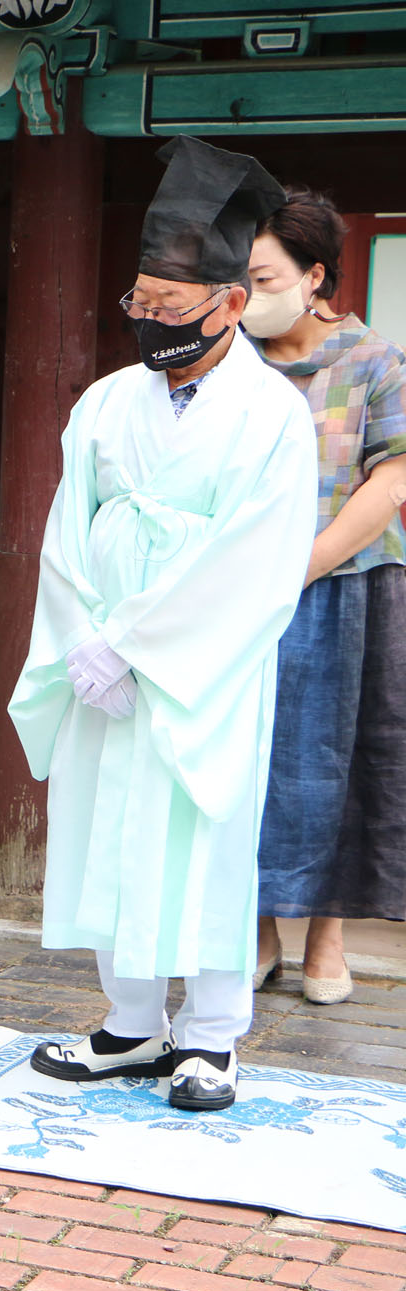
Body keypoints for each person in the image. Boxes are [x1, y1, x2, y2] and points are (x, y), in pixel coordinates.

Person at [9, 137, 318, 1112]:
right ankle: (128, 1024)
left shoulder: (272, 416)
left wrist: (142, 648)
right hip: (100, 660)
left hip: (203, 672)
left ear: (229, 303)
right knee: (109, 833)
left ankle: (212, 1037)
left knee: (204, 837)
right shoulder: (104, 404)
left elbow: (255, 562)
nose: (148, 322)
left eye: (169, 308)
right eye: (136, 305)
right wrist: (81, 645)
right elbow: (63, 532)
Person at [248, 190, 406, 1006]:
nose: (249, 295)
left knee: (338, 760)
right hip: (244, 592)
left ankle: (328, 933)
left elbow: (394, 477)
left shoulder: (374, 360)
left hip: (345, 583)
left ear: (313, 276)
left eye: (264, 276)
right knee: (251, 757)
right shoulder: (233, 366)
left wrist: (302, 563)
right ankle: (260, 930)